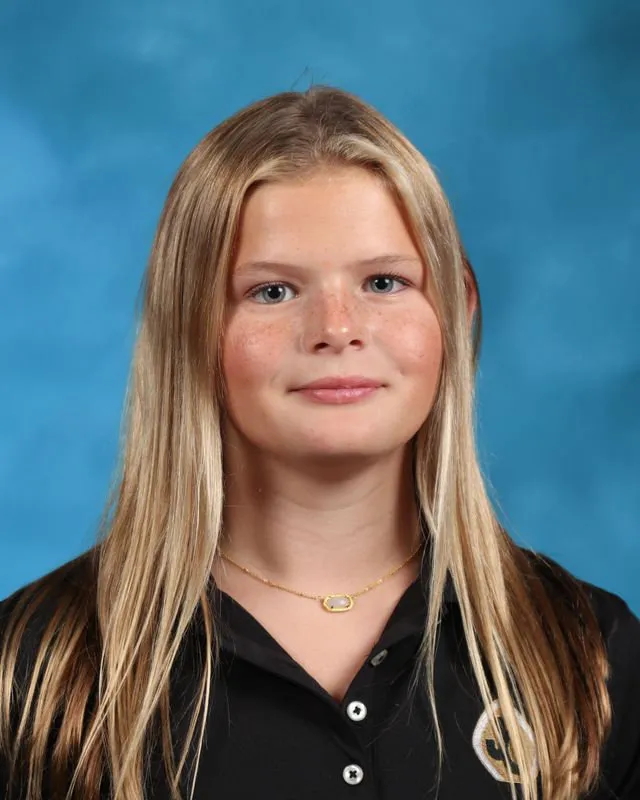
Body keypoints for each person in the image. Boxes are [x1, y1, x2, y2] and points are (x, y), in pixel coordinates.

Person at [0, 85, 638, 800]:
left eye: (385, 282)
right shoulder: (36, 672)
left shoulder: (587, 652)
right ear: (189, 325)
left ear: (457, 310)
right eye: (272, 291)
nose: (337, 328)